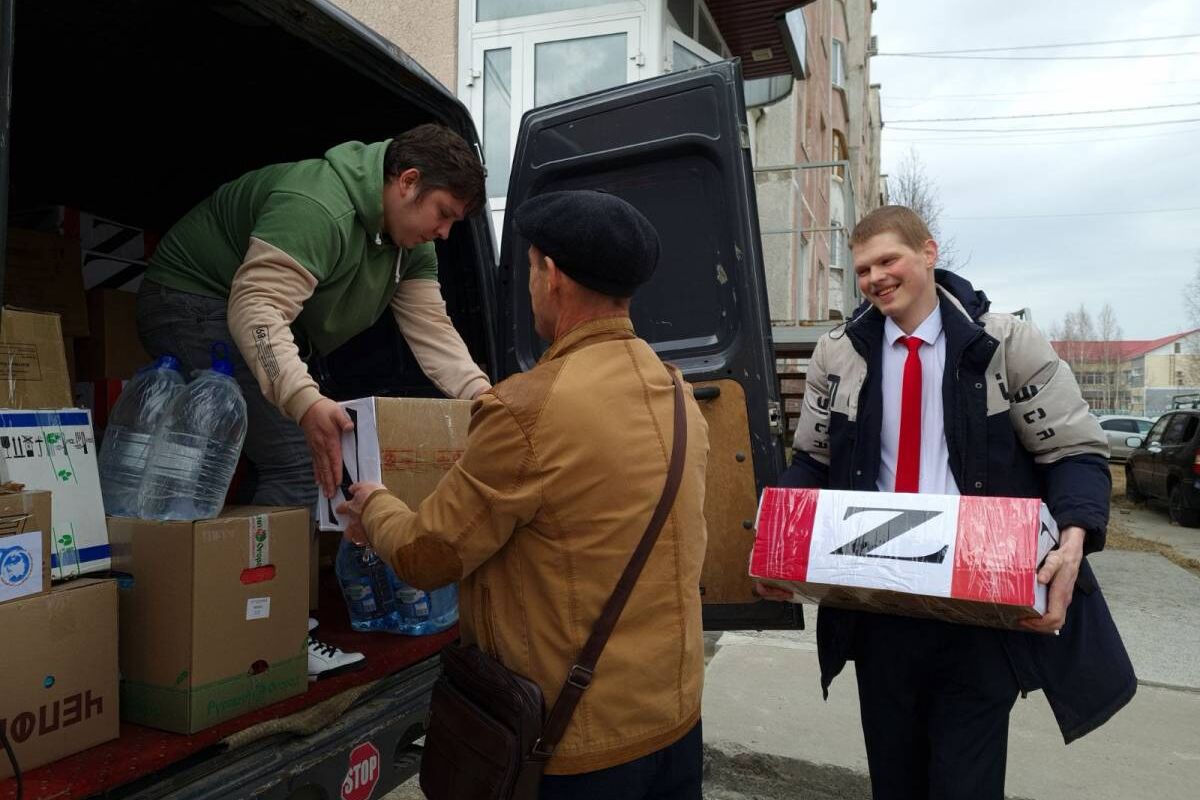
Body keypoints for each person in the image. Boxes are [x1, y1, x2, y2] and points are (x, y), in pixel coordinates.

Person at [338, 190, 711, 799]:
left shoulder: (527, 410)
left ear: (552, 275)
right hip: (673, 722)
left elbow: (428, 556)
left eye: (533, 268)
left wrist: (372, 502)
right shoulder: (678, 395)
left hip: (576, 748)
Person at [759, 205, 1135, 799]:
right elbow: (814, 460)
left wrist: (1074, 536)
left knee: (966, 782)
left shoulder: (1005, 342)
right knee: (894, 779)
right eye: (862, 269)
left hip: (977, 606)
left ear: (928, 253)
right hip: (877, 603)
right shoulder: (839, 354)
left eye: (888, 260)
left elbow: (1073, 453)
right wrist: (774, 536)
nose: (875, 277)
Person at [137, 124, 490, 679]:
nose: (445, 233)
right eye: (442, 214)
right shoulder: (319, 206)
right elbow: (254, 307)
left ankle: (247, 617)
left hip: (258, 319)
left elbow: (433, 331)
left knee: (298, 458)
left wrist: (486, 400)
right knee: (300, 461)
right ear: (407, 182)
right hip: (193, 299)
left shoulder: (409, 248)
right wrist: (304, 401)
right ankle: (270, 637)